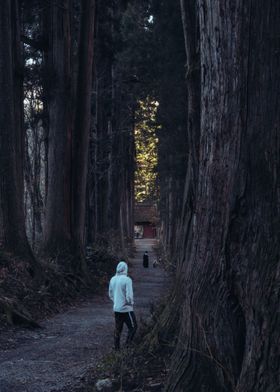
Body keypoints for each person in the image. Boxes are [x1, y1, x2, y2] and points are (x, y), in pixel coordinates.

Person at [109, 261, 137, 350]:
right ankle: (127, 346)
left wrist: (116, 302)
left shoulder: (112, 279)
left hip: (116, 308)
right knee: (133, 327)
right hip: (126, 309)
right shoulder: (127, 280)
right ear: (125, 269)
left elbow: (110, 294)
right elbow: (129, 296)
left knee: (118, 328)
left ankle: (116, 348)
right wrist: (131, 303)